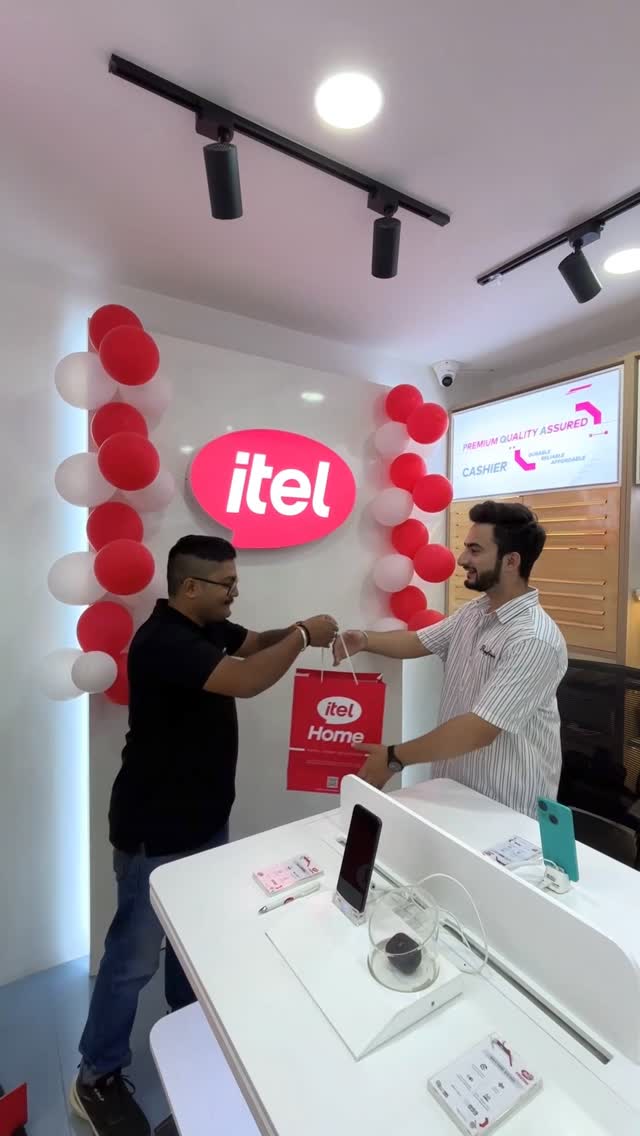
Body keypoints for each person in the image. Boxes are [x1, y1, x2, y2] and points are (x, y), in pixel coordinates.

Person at [71, 534, 337, 1136]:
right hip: (155, 830)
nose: (235, 592)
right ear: (190, 586)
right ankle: (95, 1075)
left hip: (202, 820)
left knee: (191, 943)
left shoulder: (204, 627)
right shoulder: (164, 641)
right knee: (133, 957)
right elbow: (248, 679)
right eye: (227, 583)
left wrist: (297, 630)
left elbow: (255, 643)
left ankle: (189, 1031)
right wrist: (302, 637)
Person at [335, 500, 567, 814]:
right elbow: (418, 641)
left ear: (511, 561)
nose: (462, 559)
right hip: (452, 792)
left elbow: (479, 729)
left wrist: (394, 757)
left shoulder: (533, 640)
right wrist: (364, 640)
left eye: (475, 550)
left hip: (503, 809)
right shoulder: (475, 612)